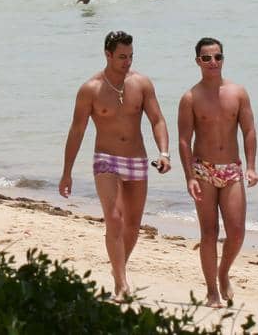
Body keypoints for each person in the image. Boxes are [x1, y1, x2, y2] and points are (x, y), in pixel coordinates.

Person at [58, 30, 172, 298]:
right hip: (106, 159)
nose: (127, 62)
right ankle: (122, 283)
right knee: (114, 219)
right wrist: (67, 173)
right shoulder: (91, 89)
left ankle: (118, 269)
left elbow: (158, 120)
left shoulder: (142, 84)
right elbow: (77, 130)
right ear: (107, 54)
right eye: (121, 57)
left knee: (133, 225)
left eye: (131, 56)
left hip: (137, 159)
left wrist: (164, 152)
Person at [176, 37, 258, 307]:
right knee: (209, 232)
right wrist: (189, 176)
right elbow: (183, 140)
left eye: (217, 57)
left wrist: (251, 166)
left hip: (232, 170)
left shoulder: (238, 92)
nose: (213, 62)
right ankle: (212, 290)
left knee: (236, 232)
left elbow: (248, 130)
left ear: (223, 59)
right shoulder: (190, 97)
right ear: (197, 61)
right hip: (203, 169)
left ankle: (223, 273)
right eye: (206, 58)